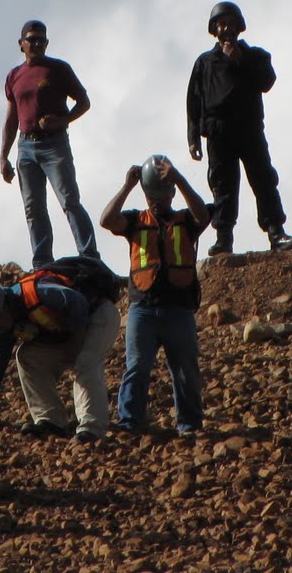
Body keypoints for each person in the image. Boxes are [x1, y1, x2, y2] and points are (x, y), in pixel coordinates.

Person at [99, 155, 210, 437]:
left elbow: (204, 216)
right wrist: (127, 186)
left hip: (179, 310)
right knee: (136, 367)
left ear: (171, 193)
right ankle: (130, 423)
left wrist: (180, 179)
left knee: (185, 369)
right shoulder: (135, 220)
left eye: (161, 195)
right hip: (143, 309)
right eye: (151, 196)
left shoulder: (186, 220)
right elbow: (106, 220)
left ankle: (189, 426)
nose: (156, 201)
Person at [185, 1, 292, 255]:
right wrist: (193, 137)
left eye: (231, 23)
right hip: (218, 132)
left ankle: (276, 233)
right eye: (221, 24)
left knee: (263, 179)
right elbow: (194, 100)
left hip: (249, 128)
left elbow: (267, 81)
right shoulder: (204, 62)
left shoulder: (256, 56)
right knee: (222, 185)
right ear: (214, 29)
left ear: (239, 27)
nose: (226, 28)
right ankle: (223, 239)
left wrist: (241, 60)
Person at [0, 260, 120, 444]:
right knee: (27, 357)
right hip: (66, 331)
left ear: (3, 307)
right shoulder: (2, 324)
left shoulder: (39, 293)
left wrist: (75, 339)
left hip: (99, 315)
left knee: (86, 363)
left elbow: (77, 301)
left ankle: (92, 429)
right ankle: (51, 420)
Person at [0, 19, 99, 268]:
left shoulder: (58, 69)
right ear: (21, 44)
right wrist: (3, 156)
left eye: (41, 40)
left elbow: (84, 102)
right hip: (26, 146)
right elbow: (11, 118)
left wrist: (63, 120)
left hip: (54, 144)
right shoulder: (14, 76)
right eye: (32, 39)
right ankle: (42, 263)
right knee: (33, 208)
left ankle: (89, 256)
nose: (37, 44)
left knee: (69, 200)